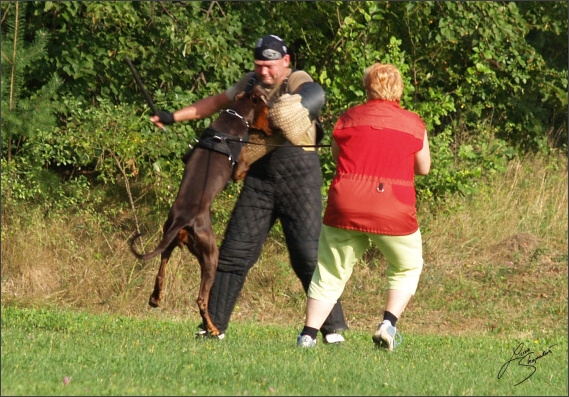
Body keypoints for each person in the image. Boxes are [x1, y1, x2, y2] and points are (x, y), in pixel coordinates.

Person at [151, 34, 349, 343]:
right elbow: (216, 103)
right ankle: (212, 327)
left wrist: (300, 104)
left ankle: (333, 328)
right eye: (259, 65)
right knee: (233, 253)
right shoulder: (248, 83)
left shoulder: (297, 78)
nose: (264, 72)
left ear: (285, 61)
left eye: (270, 66)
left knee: (307, 255)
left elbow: (313, 93)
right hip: (258, 177)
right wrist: (172, 116)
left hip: (299, 172)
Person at [297, 63, 431, 350]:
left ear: (367, 88)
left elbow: (336, 157)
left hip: (346, 204)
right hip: (393, 208)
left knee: (330, 272)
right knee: (407, 266)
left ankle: (307, 336)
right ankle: (388, 324)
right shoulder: (414, 122)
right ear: (399, 88)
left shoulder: (348, 118)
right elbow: (424, 167)